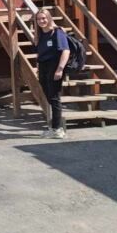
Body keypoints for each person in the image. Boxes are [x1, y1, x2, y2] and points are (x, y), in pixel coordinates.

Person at [34, 8, 71, 139]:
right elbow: (40, 52)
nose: (41, 21)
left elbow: (65, 51)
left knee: (54, 97)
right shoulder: (40, 34)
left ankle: (57, 129)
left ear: (49, 18)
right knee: (49, 96)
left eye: (44, 18)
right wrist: (38, 67)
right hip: (43, 67)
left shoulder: (57, 32)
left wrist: (60, 69)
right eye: (39, 19)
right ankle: (56, 127)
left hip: (54, 66)